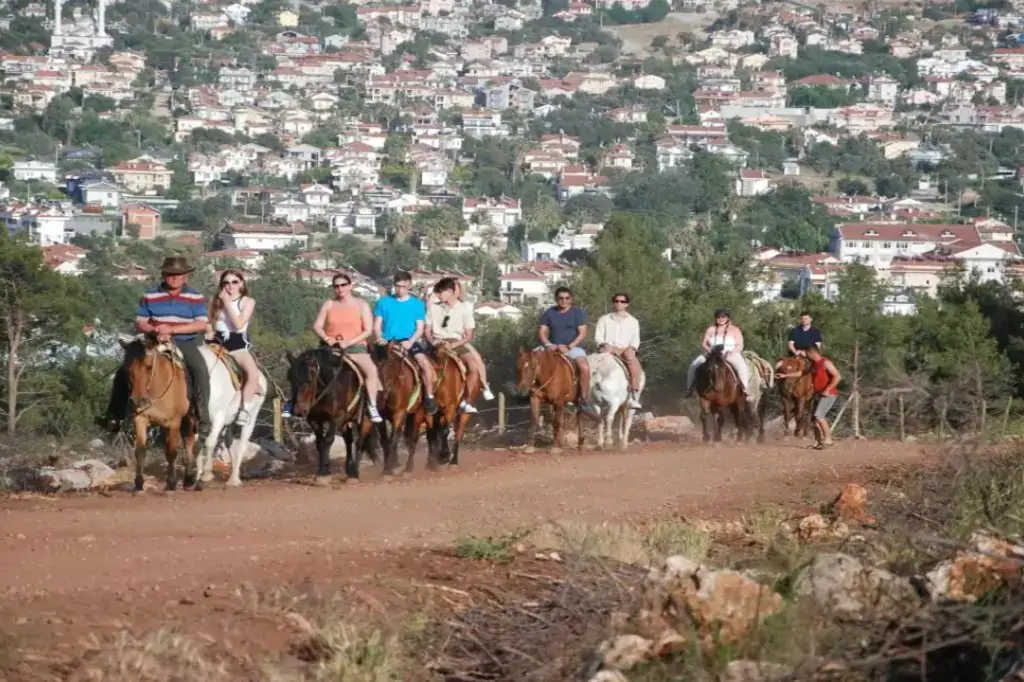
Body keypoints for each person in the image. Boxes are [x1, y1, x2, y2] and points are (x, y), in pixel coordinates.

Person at [100, 256, 211, 437]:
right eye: (170, 274)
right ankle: (115, 416)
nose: (174, 278)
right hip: (154, 340)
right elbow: (140, 322)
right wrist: (156, 329)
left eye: (179, 274)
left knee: (200, 370)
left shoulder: (195, 296)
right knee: (125, 371)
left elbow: (201, 324)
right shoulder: (150, 295)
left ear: (186, 276)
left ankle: (202, 416)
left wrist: (173, 330)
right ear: (164, 275)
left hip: (184, 341)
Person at [282, 273, 383, 423]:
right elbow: (317, 326)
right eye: (336, 286)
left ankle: (372, 405)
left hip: (355, 348)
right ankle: (293, 402)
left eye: (343, 285)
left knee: (372, 371)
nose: (339, 289)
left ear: (350, 286)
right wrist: (327, 338)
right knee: (303, 367)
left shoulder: (361, 304)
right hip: (329, 349)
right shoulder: (329, 304)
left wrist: (348, 343)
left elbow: (367, 330)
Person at [373, 270, 438, 414]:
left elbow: (420, 328)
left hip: (409, 341)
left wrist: (410, 341)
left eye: (404, 286)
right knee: (370, 365)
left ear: (409, 286)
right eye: (397, 286)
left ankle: (429, 396)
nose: (400, 289)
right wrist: (379, 337)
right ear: (393, 285)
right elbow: (377, 325)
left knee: (425, 364)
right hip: (387, 341)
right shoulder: (384, 302)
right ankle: (368, 399)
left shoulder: (417, 304)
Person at [206, 269, 261, 425]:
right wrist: (208, 331)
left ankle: (244, 409)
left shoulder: (248, 301)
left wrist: (228, 304)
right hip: (216, 341)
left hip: (237, 342)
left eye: (234, 282)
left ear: (241, 284)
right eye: (226, 283)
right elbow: (208, 320)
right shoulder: (214, 300)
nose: (230, 286)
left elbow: (238, 324)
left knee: (252, 373)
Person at [537, 286, 596, 415]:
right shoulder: (549, 312)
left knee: (584, 367)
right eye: (561, 298)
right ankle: (530, 391)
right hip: (553, 347)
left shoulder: (577, 313)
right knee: (530, 360)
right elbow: (542, 332)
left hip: (573, 348)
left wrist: (569, 346)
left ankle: (584, 400)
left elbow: (582, 333)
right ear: (556, 299)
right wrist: (548, 344)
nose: (564, 301)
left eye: (567, 298)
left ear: (571, 299)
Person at [686, 308, 750, 399]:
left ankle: (744, 390)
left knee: (742, 367)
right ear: (715, 318)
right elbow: (704, 343)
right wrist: (708, 351)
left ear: (727, 318)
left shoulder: (735, 330)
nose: (721, 319)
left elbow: (740, 345)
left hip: (730, 354)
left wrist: (732, 352)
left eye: (723, 316)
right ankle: (690, 389)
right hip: (712, 354)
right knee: (693, 365)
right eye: (718, 317)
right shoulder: (711, 329)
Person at [594, 292, 643, 409]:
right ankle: (584, 396)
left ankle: (632, 397)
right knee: (589, 364)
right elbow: (598, 336)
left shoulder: (633, 321)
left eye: (622, 301)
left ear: (627, 304)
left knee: (634, 365)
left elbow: (635, 339)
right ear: (613, 302)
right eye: (616, 301)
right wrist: (603, 344)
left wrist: (632, 348)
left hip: (624, 350)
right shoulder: (604, 319)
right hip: (607, 349)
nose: (619, 303)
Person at [806, 344, 841, 449]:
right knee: (814, 420)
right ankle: (818, 442)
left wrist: (828, 389)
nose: (806, 356)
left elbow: (838, 376)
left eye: (807, 354)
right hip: (818, 394)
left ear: (812, 353)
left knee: (819, 416)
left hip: (828, 394)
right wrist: (785, 375)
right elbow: (802, 372)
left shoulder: (825, 363)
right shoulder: (813, 365)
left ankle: (828, 439)